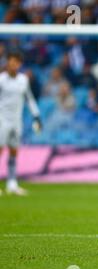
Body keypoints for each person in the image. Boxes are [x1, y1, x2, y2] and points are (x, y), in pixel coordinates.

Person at [0, 52, 42, 196]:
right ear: (7, 63)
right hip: (2, 119)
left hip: (17, 120)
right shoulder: (1, 80)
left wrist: (36, 116)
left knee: (14, 151)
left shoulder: (23, 80)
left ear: (20, 64)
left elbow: (29, 98)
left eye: (16, 62)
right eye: (11, 62)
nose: (13, 65)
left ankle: (12, 183)